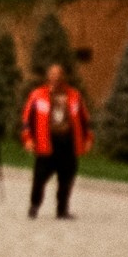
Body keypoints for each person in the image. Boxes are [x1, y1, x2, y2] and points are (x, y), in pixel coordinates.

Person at [20, 61, 90, 217]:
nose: (56, 78)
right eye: (53, 74)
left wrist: (87, 139)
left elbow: (84, 119)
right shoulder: (37, 95)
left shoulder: (74, 95)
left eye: (59, 75)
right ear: (48, 76)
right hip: (46, 142)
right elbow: (26, 119)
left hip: (67, 143)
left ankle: (62, 209)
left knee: (67, 177)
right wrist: (28, 139)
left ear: (63, 77)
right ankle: (34, 206)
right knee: (40, 177)